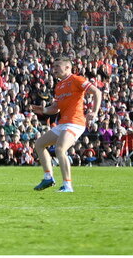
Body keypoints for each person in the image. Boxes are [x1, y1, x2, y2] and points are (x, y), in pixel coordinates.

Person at [30, 58, 102, 193]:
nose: (54, 68)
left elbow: (97, 92)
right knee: (39, 144)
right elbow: (56, 107)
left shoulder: (76, 79)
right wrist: (44, 110)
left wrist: (94, 112)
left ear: (68, 67)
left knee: (60, 149)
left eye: (58, 66)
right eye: (53, 66)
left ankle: (67, 186)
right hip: (63, 123)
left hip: (75, 122)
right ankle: (48, 177)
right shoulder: (59, 85)